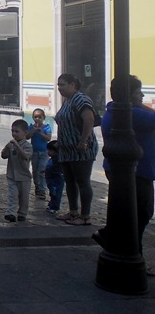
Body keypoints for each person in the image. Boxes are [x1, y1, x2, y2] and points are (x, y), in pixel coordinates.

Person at [96, 75, 155, 276]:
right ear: (128, 96)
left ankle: (111, 237)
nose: (142, 96)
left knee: (129, 213)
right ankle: (132, 255)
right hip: (136, 172)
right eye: (138, 93)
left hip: (124, 169)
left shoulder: (114, 109)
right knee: (140, 215)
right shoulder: (132, 114)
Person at [54, 73, 99, 226]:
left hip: (80, 150)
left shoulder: (81, 99)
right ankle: (73, 211)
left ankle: (85, 216)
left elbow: (89, 119)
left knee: (82, 181)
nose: (59, 88)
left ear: (72, 85)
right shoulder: (67, 100)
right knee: (70, 181)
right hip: (66, 150)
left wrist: (83, 141)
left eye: (62, 84)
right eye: (58, 85)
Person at [0, 118, 33, 222]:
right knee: (12, 195)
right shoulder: (11, 145)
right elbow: (3, 156)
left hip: (24, 177)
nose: (14, 134)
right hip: (12, 175)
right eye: (12, 131)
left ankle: (22, 213)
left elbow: (26, 156)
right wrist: (7, 148)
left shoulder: (28, 146)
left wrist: (17, 146)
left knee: (24, 197)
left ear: (25, 133)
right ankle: (11, 213)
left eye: (17, 131)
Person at [26, 108, 52, 200]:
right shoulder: (31, 127)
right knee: (35, 171)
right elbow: (27, 136)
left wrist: (41, 133)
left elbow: (48, 138)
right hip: (34, 153)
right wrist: (33, 130)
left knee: (42, 171)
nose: (37, 119)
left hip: (44, 153)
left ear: (43, 118)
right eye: (35, 117)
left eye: (39, 117)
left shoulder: (46, 128)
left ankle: (42, 190)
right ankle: (37, 186)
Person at [44, 140, 64, 214]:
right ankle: (51, 205)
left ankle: (54, 207)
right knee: (52, 193)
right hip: (51, 179)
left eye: (50, 150)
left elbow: (55, 170)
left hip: (56, 180)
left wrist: (48, 171)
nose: (48, 152)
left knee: (55, 193)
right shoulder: (52, 159)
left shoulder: (58, 160)